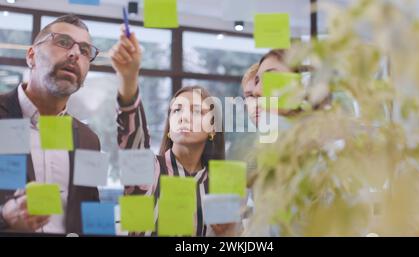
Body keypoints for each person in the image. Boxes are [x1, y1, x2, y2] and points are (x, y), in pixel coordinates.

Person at [110, 26, 240, 236]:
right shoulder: (150, 170)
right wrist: (128, 79)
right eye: (177, 109)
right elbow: (133, 140)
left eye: (197, 111)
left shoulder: (222, 187)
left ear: (212, 130)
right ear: (169, 129)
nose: (184, 116)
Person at [0, 14, 101, 234]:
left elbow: (89, 210)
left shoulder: (89, 140)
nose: (75, 53)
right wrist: (4, 217)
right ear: (31, 56)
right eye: (63, 42)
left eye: (85, 51)